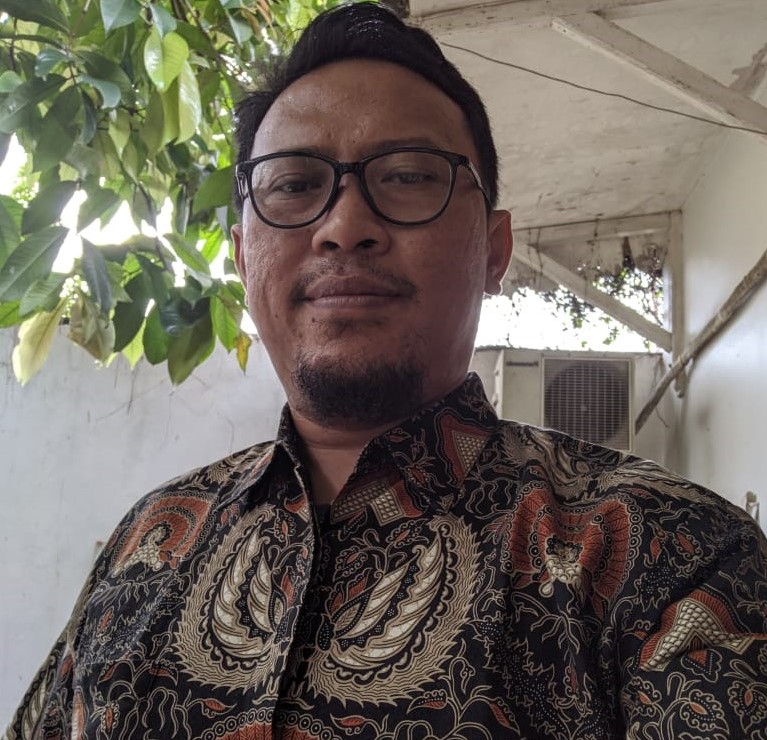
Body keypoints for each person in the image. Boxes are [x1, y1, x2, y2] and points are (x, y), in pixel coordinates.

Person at [5, 3, 767, 739]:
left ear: (494, 250)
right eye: (294, 185)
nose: (344, 226)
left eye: (405, 176)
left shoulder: (672, 556)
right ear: (241, 255)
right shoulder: (144, 545)